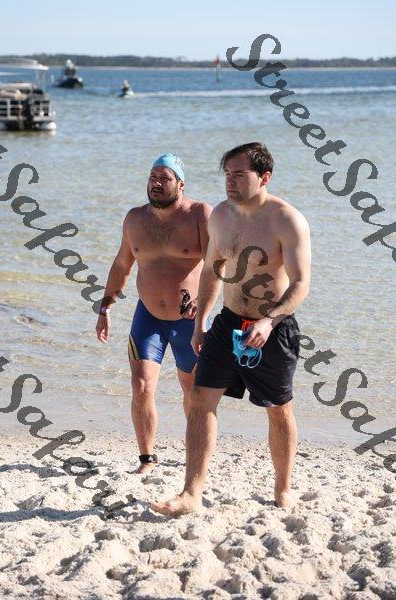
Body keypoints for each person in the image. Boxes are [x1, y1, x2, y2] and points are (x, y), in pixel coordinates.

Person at [152, 142, 311, 515]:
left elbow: (301, 283)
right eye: (227, 174)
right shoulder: (221, 215)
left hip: (273, 328)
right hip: (228, 322)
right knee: (200, 399)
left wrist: (269, 321)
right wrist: (200, 322)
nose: (230, 181)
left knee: (278, 409)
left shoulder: (287, 220)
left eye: (239, 174)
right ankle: (191, 493)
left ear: (264, 177)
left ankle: (283, 488)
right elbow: (212, 270)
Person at [96, 154, 212, 473]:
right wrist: (105, 307)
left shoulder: (200, 214)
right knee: (141, 386)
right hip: (148, 317)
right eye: (152, 177)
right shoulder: (135, 219)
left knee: (193, 392)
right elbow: (122, 265)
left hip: (189, 321)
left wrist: (205, 303)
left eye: (165, 177)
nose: (156, 183)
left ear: (181, 184)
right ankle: (147, 458)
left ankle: (195, 456)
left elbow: (219, 265)